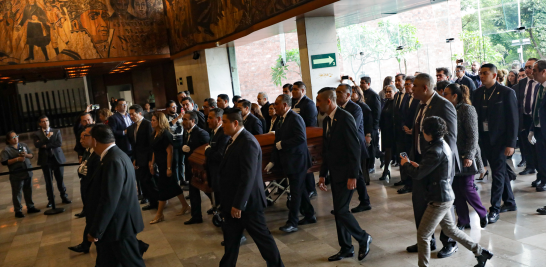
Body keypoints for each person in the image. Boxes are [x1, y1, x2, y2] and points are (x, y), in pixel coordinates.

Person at [401, 116, 493, 267]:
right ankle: (480, 252)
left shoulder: (434, 150)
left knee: (423, 235)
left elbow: (418, 175)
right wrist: (417, 165)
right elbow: (431, 169)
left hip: (439, 198)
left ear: (427, 132)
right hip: (445, 195)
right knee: (451, 230)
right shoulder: (442, 144)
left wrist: (406, 165)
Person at [218, 108, 284, 267]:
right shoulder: (234, 139)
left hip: (248, 204)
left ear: (235, 123)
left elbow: (248, 176)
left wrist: (238, 204)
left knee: (263, 240)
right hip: (233, 202)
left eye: (224, 122)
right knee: (231, 242)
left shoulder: (247, 142)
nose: (222, 125)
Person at [406, 73, 459, 258]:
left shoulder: (444, 105)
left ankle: (450, 243)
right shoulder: (419, 105)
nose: (411, 89)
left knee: (442, 204)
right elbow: (417, 134)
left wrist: (444, 166)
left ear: (425, 88)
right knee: (419, 202)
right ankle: (426, 240)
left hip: (439, 165)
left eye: (415, 87)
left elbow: (451, 138)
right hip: (423, 161)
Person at [316, 88, 372, 262]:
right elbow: (327, 150)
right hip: (336, 173)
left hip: (347, 173)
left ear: (328, 101)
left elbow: (354, 148)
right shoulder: (327, 121)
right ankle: (346, 248)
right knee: (340, 212)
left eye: (319, 101)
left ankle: (363, 238)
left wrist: (353, 175)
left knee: (340, 211)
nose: (316, 104)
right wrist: (323, 174)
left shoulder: (345, 118)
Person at [86, 124, 146, 267]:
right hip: (116, 226)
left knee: (132, 263)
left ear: (95, 141)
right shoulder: (118, 154)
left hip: (119, 227)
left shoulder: (112, 160)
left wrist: (96, 230)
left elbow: (109, 199)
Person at [473, 63, 518, 223]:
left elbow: (513, 120)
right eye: (480, 73)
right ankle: (510, 202)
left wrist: (511, 143)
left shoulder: (506, 92)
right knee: (501, 171)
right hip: (484, 140)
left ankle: (494, 209)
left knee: (497, 174)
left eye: (485, 73)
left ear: (494, 75)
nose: (482, 75)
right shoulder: (477, 93)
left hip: (501, 140)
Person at [265, 94, 316, 233]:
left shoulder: (295, 118)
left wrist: (284, 144)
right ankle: (310, 215)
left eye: (277, 104)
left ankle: (292, 222)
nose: (274, 106)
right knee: (300, 190)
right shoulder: (280, 119)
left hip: (298, 161)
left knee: (295, 192)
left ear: (285, 105)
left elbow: (300, 138)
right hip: (289, 161)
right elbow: (276, 142)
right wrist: (272, 161)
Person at [442, 83, 488, 229]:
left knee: (467, 188)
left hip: (467, 156)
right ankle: (463, 220)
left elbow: (473, 136)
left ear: (455, 96)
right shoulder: (449, 109)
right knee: (456, 189)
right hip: (453, 156)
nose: (444, 97)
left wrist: (469, 155)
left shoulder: (467, 109)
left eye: (446, 94)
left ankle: (482, 213)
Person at [149, 112, 191, 224]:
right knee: (173, 185)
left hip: (166, 163)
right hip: (159, 163)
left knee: (162, 188)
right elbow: (154, 150)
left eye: (154, 120)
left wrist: (168, 168)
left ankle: (159, 214)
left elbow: (170, 152)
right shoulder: (154, 134)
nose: (152, 122)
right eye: (152, 120)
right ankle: (185, 206)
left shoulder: (165, 134)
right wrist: (152, 163)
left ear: (160, 121)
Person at [335, 84, 371, 212]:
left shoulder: (355, 108)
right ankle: (359, 202)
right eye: (336, 92)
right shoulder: (338, 109)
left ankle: (364, 201)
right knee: (356, 174)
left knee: (357, 174)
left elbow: (351, 128)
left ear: (348, 95)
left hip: (356, 146)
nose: (336, 94)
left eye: (340, 92)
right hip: (346, 146)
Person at [69, 125, 100, 253]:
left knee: (93, 220)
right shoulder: (87, 151)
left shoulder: (97, 154)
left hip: (94, 192)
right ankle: (86, 244)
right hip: (86, 188)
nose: (80, 140)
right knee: (90, 219)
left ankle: (86, 244)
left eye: (84, 137)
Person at [33, 115, 71, 207]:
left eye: (46, 121)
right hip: (45, 159)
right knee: (48, 180)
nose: (45, 123)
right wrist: (47, 138)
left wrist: (46, 145)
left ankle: (64, 196)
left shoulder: (56, 131)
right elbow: (37, 145)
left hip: (57, 157)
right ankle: (51, 200)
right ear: (39, 123)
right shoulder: (37, 134)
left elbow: (59, 143)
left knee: (60, 179)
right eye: (43, 121)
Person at [1, 131, 40, 218]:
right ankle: (18, 210)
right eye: (13, 137)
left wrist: (26, 155)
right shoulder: (6, 150)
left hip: (27, 171)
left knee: (28, 190)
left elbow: (32, 155)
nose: (16, 138)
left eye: (16, 136)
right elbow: (4, 162)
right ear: (8, 140)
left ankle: (30, 206)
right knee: (17, 192)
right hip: (17, 174)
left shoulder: (23, 145)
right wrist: (17, 159)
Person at [183, 111, 211, 225]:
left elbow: (205, 150)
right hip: (190, 167)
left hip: (200, 168)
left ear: (193, 121)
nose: (183, 122)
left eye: (185, 119)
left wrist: (191, 149)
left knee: (208, 190)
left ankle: (217, 207)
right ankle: (196, 216)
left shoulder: (201, 133)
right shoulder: (186, 132)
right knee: (193, 192)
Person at [292, 81, 319, 198]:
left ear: (303, 91)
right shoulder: (294, 103)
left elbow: (311, 124)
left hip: (305, 138)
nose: (292, 92)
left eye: (295, 89)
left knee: (306, 166)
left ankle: (311, 189)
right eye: (292, 89)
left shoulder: (309, 104)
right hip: (295, 138)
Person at [128, 105, 158, 210]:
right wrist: (135, 159)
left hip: (147, 158)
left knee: (149, 181)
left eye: (133, 114)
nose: (131, 116)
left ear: (140, 113)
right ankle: (151, 200)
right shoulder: (132, 127)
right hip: (139, 158)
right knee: (143, 180)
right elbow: (134, 145)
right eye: (130, 114)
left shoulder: (147, 124)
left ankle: (156, 202)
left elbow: (151, 144)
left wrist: (151, 160)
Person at [514, 58, 539, 178]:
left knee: (539, 145)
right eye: (526, 67)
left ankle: (541, 170)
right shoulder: (522, 83)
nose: (527, 70)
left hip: (537, 118)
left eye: (530, 67)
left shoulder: (541, 82)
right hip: (524, 117)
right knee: (526, 144)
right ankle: (530, 166)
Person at [204, 108, 230, 215]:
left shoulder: (223, 134)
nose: (207, 120)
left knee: (222, 196)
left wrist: (208, 150)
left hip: (220, 172)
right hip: (214, 170)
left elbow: (220, 155)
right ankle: (218, 208)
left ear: (219, 119)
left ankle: (222, 213)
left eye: (210, 118)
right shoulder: (215, 132)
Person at [532, 60, 546, 215]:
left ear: (544, 72)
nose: (532, 72)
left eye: (535, 70)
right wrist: (532, 129)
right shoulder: (539, 88)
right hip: (539, 133)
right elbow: (535, 112)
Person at [360, 76, 381, 174]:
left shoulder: (373, 95)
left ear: (368, 84)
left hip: (372, 126)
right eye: (361, 82)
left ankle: (371, 165)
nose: (361, 84)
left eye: (363, 82)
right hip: (365, 125)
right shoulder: (362, 94)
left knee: (372, 147)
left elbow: (377, 112)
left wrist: (375, 127)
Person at [166, 100, 186, 184]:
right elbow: (168, 126)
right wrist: (177, 118)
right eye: (172, 106)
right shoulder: (165, 117)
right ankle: (176, 180)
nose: (175, 108)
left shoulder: (179, 115)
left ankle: (182, 179)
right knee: (175, 161)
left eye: (175, 107)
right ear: (168, 108)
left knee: (181, 161)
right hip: (172, 141)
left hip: (181, 139)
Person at [380, 85, 396, 182]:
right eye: (386, 92)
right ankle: (386, 170)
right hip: (386, 130)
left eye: (390, 92)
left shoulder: (395, 103)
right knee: (387, 151)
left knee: (390, 151)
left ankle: (386, 170)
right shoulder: (386, 103)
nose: (388, 93)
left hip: (392, 130)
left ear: (395, 92)